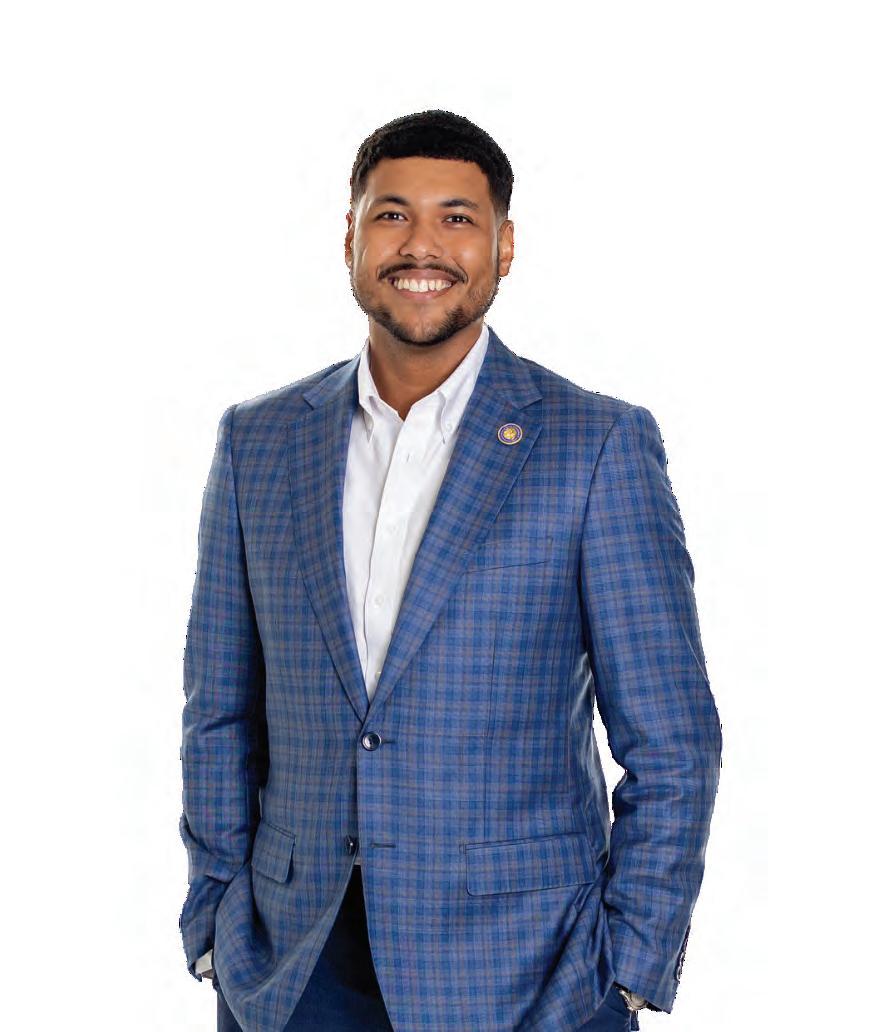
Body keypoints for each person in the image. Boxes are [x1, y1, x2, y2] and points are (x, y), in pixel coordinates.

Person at [178, 109, 722, 1032]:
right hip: (291, 971)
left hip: (528, 975)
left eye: (457, 218)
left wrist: (628, 965)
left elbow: (673, 740)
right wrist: (215, 921)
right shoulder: (258, 441)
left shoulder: (595, 445)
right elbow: (219, 707)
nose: (420, 245)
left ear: (504, 246)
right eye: (391, 215)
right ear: (349, 238)